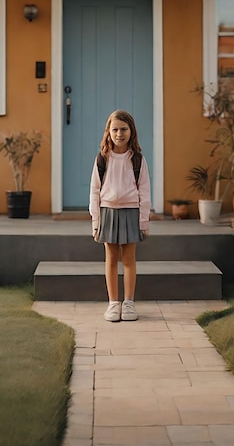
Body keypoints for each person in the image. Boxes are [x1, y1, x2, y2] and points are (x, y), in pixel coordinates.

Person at [89, 109, 151, 322]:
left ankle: (129, 303)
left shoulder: (138, 160)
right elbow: (94, 191)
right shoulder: (102, 159)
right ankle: (113, 303)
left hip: (131, 213)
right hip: (107, 212)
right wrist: (95, 222)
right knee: (111, 259)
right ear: (108, 132)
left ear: (131, 131)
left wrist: (143, 221)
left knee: (129, 260)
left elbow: (145, 191)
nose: (119, 133)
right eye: (115, 129)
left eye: (124, 129)